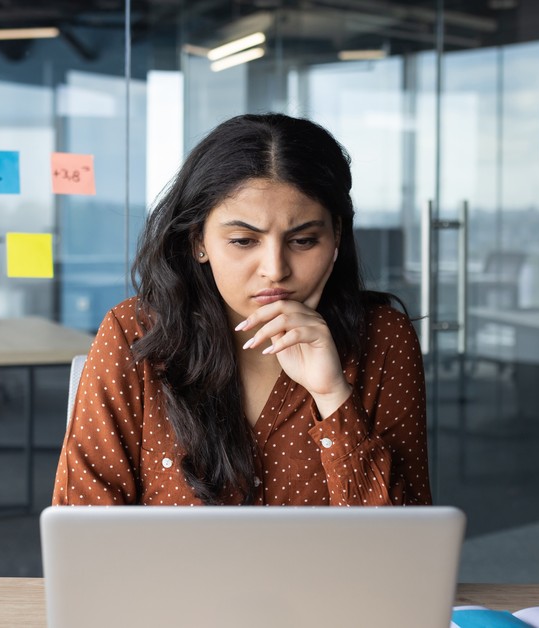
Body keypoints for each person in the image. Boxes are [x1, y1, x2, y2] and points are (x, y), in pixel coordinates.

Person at [53, 113, 430, 506]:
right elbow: (83, 522)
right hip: (172, 571)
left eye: (302, 241)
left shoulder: (384, 338)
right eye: (243, 241)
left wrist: (331, 393)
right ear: (199, 240)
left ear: (336, 236)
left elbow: (402, 546)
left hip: (326, 572)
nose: (275, 269)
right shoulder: (134, 332)